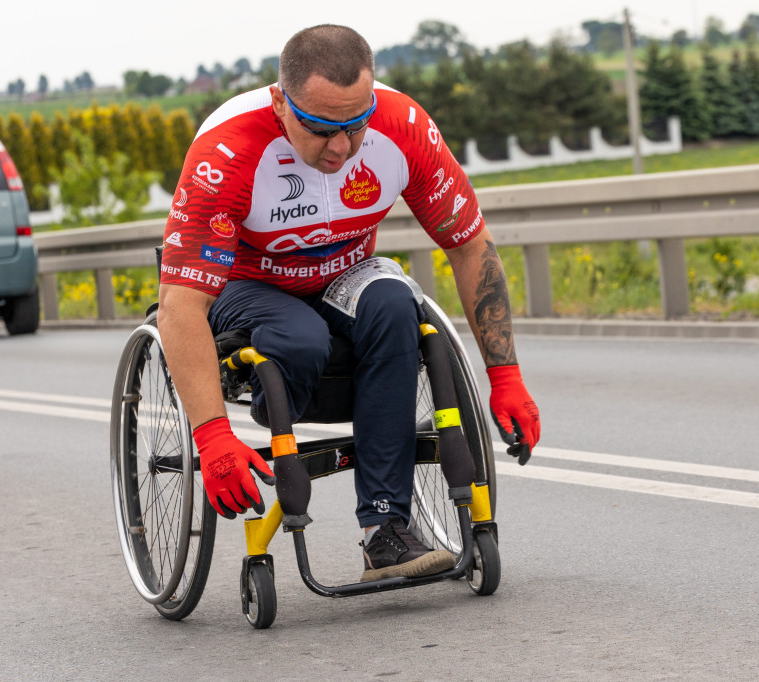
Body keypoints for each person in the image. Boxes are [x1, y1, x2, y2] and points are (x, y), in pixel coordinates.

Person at [157, 24, 540, 582]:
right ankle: (284, 396)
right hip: (248, 283)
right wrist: (212, 434)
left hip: (344, 274)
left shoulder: (402, 127)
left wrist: (505, 375)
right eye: (320, 129)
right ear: (282, 105)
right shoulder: (229, 152)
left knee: (395, 302)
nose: (341, 147)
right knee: (302, 339)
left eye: (355, 125)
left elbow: (469, 244)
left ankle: (385, 530)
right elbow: (179, 306)